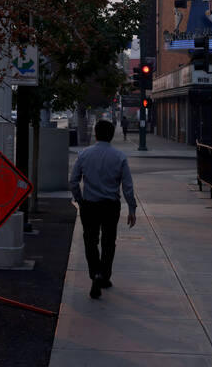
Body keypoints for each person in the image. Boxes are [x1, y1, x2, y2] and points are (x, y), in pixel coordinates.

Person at [69, 118, 136, 299]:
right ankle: (104, 276)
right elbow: (127, 186)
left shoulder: (84, 154)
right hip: (110, 206)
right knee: (108, 241)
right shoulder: (120, 157)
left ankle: (95, 273)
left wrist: (80, 200)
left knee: (90, 240)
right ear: (112, 135)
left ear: (96, 134)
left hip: (89, 205)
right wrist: (132, 208)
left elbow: (73, 181)